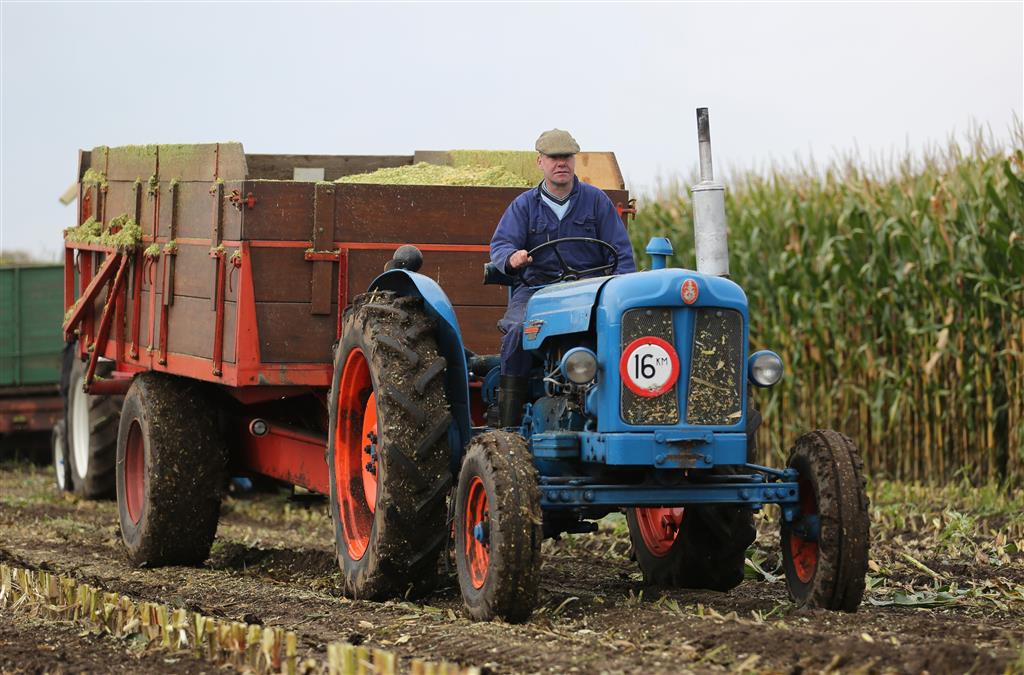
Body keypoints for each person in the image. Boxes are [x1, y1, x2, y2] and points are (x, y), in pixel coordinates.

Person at [489, 128, 636, 426]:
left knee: (622, 327)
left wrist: (622, 293)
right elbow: (501, 245)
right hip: (537, 290)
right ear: (540, 162)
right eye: (554, 157)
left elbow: (621, 254)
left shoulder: (596, 202)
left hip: (590, 290)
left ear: (574, 160)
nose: (561, 163)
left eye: (567, 157)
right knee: (517, 331)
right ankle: (509, 423)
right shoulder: (524, 205)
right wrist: (512, 257)